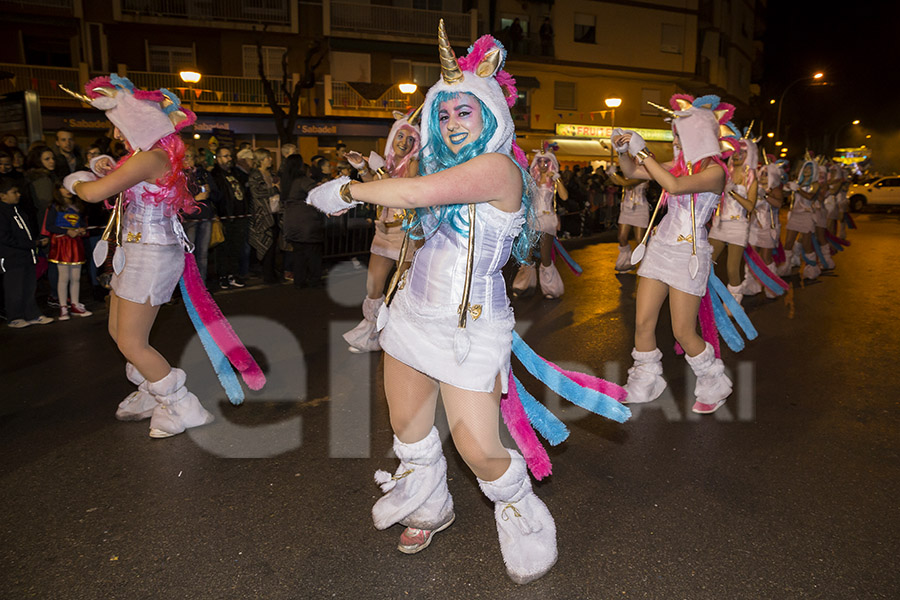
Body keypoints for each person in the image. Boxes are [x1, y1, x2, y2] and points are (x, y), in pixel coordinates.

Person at [307, 27, 559, 585]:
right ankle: (430, 502)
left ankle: (523, 513)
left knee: (478, 448)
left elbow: (415, 195)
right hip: (411, 317)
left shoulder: (498, 168)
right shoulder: (440, 169)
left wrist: (348, 191)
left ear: (490, 116)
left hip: (470, 328)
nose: (451, 124)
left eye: (464, 112)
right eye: (442, 116)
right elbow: (416, 209)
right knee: (409, 429)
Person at [61, 74, 214, 437]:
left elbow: (94, 194)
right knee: (118, 331)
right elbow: (117, 180)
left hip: (152, 254)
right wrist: (102, 166)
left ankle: (181, 405)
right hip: (137, 250)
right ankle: (151, 391)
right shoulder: (147, 156)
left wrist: (76, 179)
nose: (116, 135)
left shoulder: (150, 157)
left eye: (120, 125)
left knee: (132, 340)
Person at [613, 93, 734, 414]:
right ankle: (646, 379)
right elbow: (632, 173)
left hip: (689, 254)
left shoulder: (716, 173)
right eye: (675, 134)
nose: (676, 139)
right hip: (661, 247)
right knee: (643, 323)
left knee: (683, 330)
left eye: (681, 134)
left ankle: (714, 381)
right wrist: (624, 150)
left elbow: (675, 186)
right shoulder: (678, 165)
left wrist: (643, 151)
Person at [342, 111, 421, 352]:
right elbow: (376, 189)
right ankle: (372, 335)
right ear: (392, 136)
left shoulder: (415, 164)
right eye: (401, 135)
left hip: (406, 234)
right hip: (383, 233)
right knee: (373, 287)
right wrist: (362, 167)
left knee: (399, 290)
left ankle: (399, 339)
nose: (404, 142)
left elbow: (398, 190)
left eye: (410, 139)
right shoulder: (385, 163)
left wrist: (374, 169)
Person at [511, 144, 569, 298]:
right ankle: (524, 287)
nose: (543, 165)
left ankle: (551, 289)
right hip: (531, 219)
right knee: (527, 255)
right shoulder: (532, 179)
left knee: (545, 257)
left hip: (547, 220)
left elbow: (564, 197)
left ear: (550, 163)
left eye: (546, 162)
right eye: (540, 161)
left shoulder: (553, 180)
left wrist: (558, 180)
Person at [708, 132, 758, 306]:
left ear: (748, 155)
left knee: (731, 269)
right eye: (734, 152)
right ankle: (705, 299)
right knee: (705, 261)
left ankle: (732, 304)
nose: (737, 156)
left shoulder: (751, 177)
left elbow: (751, 206)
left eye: (741, 153)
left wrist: (732, 191)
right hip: (719, 225)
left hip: (738, 226)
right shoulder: (724, 173)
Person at [0, 177, 53, 328]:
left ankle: (32, 314)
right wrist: (32, 244)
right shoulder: (2, 213)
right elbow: (5, 238)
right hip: (12, 258)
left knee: (29, 287)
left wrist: (34, 243)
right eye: (14, 192)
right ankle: (14, 317)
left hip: (27, 256)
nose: (18, 195)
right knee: (14, 288)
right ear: (2, 195)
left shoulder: (18, 211)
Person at [44, 182, 92, 320]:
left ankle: (76, 305)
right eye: (64, 187)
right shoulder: (54, 207)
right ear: (58, 189)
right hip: (62, 244)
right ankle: (63, 307)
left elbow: (82, 223)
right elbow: (49, 226)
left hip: (75, 243)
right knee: (64, 277)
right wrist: (66, 231)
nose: (67, 190)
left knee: (76, 277)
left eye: (69, 187)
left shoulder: (78, 206)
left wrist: (81, 230)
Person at [742, 157, 785, 298]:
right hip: (754, 227)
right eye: (762, 173)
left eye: (766, 174)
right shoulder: (754, 187)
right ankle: (751, 284)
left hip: (768, 228)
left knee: (766, 257)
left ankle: (770, 285)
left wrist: (765, 195)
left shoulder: (775, 190)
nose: (763, 176)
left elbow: (778, 204)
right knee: (752, 257)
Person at [280, 154, 323, 287]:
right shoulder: (302, 180)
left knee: (298, 253)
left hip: (291, 220)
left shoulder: (286, 181)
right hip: (306, 220)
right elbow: (317, 192)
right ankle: (315, 280)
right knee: (312, 253)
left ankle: (299, 281)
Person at [210, 147, 249, 288]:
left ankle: (233, 274)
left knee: (236, 247)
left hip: (239, 216)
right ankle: (223, 276)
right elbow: (215, 196)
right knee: (223, 248)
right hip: (225, 216)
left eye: (230, 156)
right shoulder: (215, 174)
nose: (229, 159)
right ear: (218, 158)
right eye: (225, 156)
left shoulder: (235, 173)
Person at [781, 157, 820, 280]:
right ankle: (785, 267)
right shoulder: (798, 182)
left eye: (810, 168)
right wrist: (786, 188)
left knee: (807, 244)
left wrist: (797, 188)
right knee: (788, 243)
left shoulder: (815, 184)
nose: (807, 170)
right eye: (806, 167)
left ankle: (812, 269)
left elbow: (810, 197)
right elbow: (786, 196)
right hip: (794, 215)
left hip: (807, 216)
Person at [247, 148, 282, 284]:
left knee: (273, 245)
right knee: (266, 244)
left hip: (276, 212)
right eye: (267, 157)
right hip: (263, 215)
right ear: (260, 160)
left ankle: (272, 272)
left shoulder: (272, 173)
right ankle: (268, 275)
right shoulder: (255, 175)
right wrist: (274, 189)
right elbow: (256, 193)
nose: (270, 159)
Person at [182, 146, 216, 284]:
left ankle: (201, 284)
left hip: (205, 217)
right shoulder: (178, 175)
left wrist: (210, 191)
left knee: (202, 254)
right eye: (184, 157)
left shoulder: (203, 173)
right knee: (189, 255)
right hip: (189, 219)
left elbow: (217, 194)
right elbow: (177, 199)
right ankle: (189, 285)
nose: (187, 160)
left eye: (190, 156)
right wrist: (196, 199)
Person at [608, 166, 651, 272]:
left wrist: (614, 174)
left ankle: (648, 265)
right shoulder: (629, 172)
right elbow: (618, 182)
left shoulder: (644, 175)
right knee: (621, 237)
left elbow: (625, 183)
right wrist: (610, 174)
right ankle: (625, 261)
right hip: (627, 207)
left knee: (639, 240)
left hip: (640, 208)